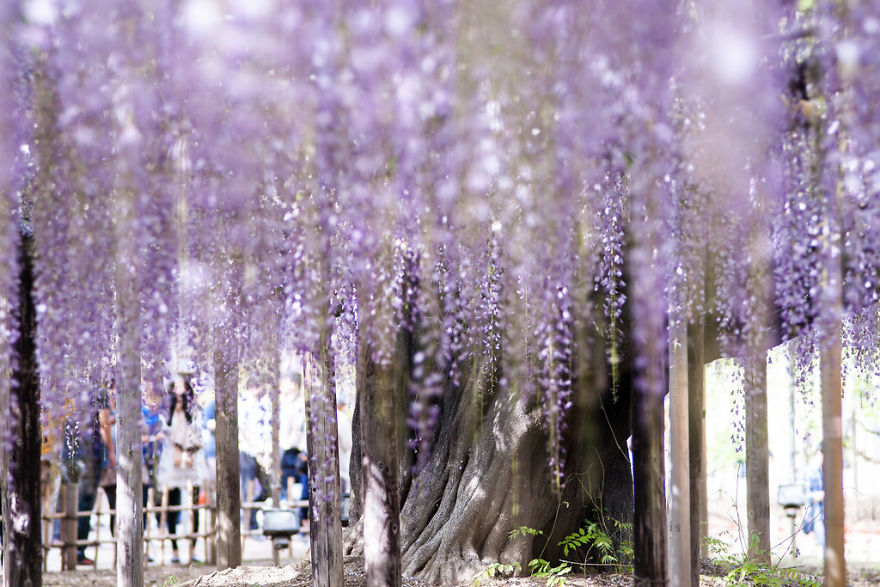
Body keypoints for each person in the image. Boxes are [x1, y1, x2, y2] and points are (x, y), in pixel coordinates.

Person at [155, 375, 208, 564]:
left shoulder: (194, 414)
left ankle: (193, 549)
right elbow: (164, 434)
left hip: (190, 464)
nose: (179, 396)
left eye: (182, 392)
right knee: (171, 506)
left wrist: (188, 451)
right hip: (171, 466)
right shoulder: (165, 416)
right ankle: (174, 550)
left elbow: (198, 437)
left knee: (193, 506)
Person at [279, 372, 308, 526]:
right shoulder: (284, 402)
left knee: (304, 488)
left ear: (295, 385)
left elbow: (299, 429)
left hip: (297, 451)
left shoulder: (301, 404)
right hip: (285, 450)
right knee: (286, 488)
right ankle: (288, 523)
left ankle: (302, 523)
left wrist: (304, 450)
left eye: (286, 383)